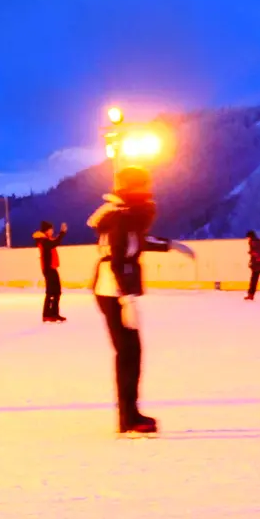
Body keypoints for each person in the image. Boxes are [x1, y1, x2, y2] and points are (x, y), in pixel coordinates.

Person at [89, 165, 188, 435]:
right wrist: (127, 298)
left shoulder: (126, 215)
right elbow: (118, 259)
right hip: (114, 290)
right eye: (143, 185)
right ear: (130, 188)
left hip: (114, 289)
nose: (148, 190)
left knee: (131, 353)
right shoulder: (122, 217)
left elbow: (136, 242)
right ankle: (128, 418)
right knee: (128, 354)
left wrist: (169, 245)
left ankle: (130, 413)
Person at [34, 222, 68, 321]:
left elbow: (55, 242)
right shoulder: (43, 241)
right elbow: (55, 243)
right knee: (52, 292)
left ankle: (53, 313)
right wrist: (62, 233)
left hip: (51, 268)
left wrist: (61, 234)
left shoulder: (46, 240)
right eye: (51, 229)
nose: (52, 231)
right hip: (49, 269)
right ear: (46, 230)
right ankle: (48, 314)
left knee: (56, 291)